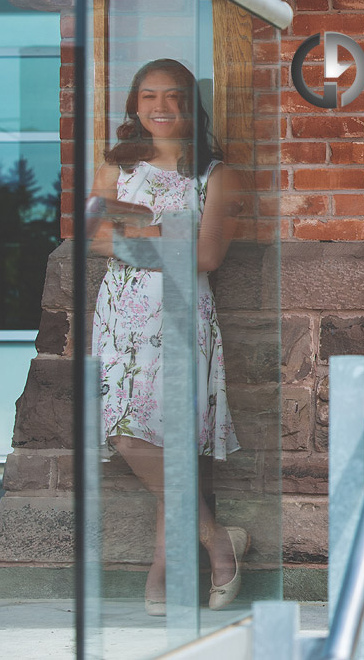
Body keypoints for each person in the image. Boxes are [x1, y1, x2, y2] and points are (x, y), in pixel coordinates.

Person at [89, 58, 247, 616]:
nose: (161, 107)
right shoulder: (115, 169)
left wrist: (143, 233)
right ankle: (216, 540)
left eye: (174, 96)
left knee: (165, 442)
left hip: (180, 317)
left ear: (190, 106)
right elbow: (97, 241)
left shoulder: (217, 176)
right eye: (149, 96)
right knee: (132, 438)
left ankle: (163, 572)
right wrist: (172, 231)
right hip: (121, 321)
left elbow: (206, 256)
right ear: (134, 104)